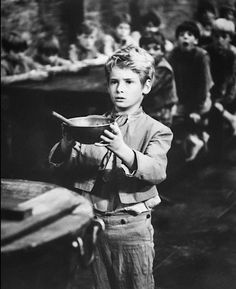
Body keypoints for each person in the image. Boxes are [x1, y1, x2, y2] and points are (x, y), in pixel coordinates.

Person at [49, 45, 173, 289]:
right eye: (114, 81)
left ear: (146, 86)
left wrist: (122, 149)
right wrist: (66, 144)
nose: (120, 89)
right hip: (91, 227)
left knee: (136, 283)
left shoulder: (156, 130)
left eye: (129, 81)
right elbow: (64, 166)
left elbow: (157, 171)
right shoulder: (91, 124)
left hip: (131, 230)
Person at [168, 21, 213, 161]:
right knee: (169, 116)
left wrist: (196, 109)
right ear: (177, 40)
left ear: (196, 40)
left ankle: (196, 138)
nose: (185, 37)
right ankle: (193, 138)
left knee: (191, 115)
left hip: (200, 99)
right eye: (181, 35)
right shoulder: (173, 55)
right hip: (181, 98)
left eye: (190, 35)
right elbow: (170, 80)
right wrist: (173, 101)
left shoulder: (201, 56)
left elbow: (203, 85)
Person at [140, 31, 178, 126]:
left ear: (162, 52)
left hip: (160, 113)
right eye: (147, 48)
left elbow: (148, 87)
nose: (151, 52)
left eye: (156, 48)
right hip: (150, 110)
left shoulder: (163, 69)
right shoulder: (147, 65)